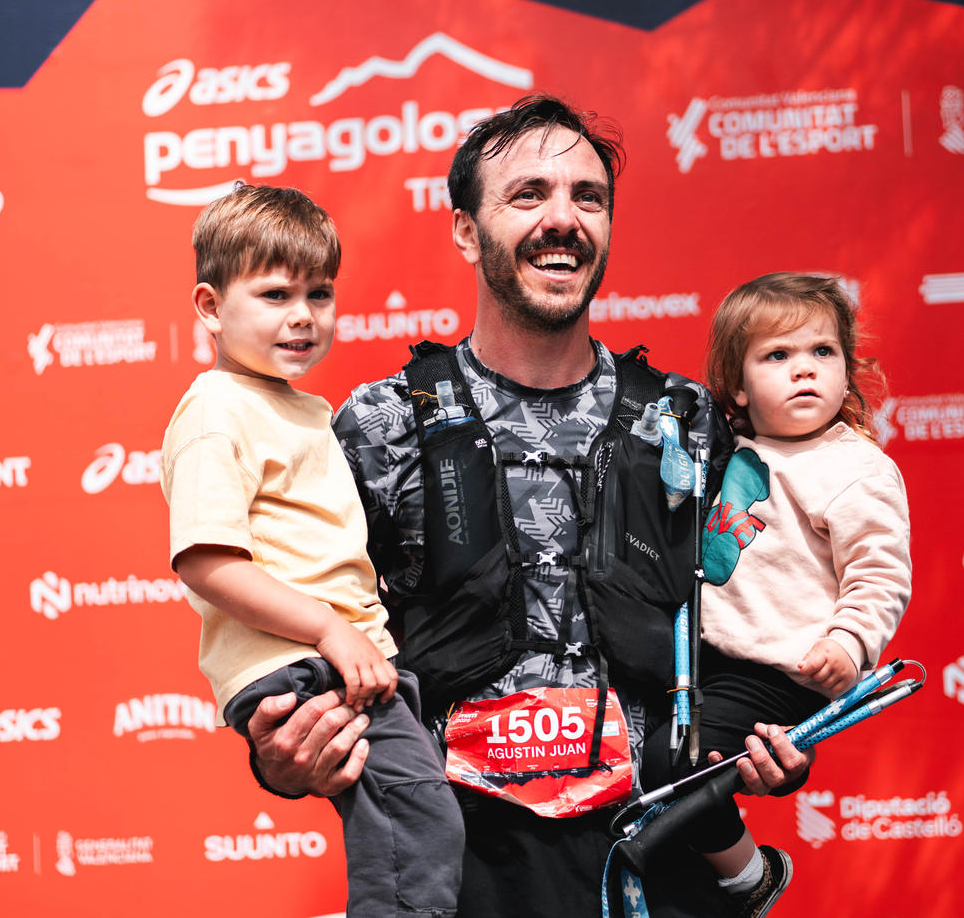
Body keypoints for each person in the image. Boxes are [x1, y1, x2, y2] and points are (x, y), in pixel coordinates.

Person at [243, 97, 818, 918]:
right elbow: (296, 637)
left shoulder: (685, 423)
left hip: (655, 871)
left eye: (588, 197)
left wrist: (768, 736)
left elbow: (759, 622)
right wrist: (281, 751)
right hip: (460, 878)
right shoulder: (381, 424)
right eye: (528, 194)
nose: (564, 219)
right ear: (466, 231)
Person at [159, 184, 463, 918]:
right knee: (420, 825)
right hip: (303, 661)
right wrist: (331, 629)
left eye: (319, 293)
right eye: (275, 294)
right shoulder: (216, 409)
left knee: (418, 824)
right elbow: (207, 562)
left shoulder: (296, 406)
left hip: (345, 653)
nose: (302, 314)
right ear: (209, 307)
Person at [682, 271, 914, 915]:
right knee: (641, 756)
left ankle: (749, 878)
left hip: (779, 674)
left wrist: (849, 643)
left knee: (680, 764)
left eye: (822, 352)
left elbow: (879, 573)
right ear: (737, 385)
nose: (804, 369)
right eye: (777, 355)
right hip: (706, 662)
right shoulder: (721, 451)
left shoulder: (855, 467)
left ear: (847, 370)